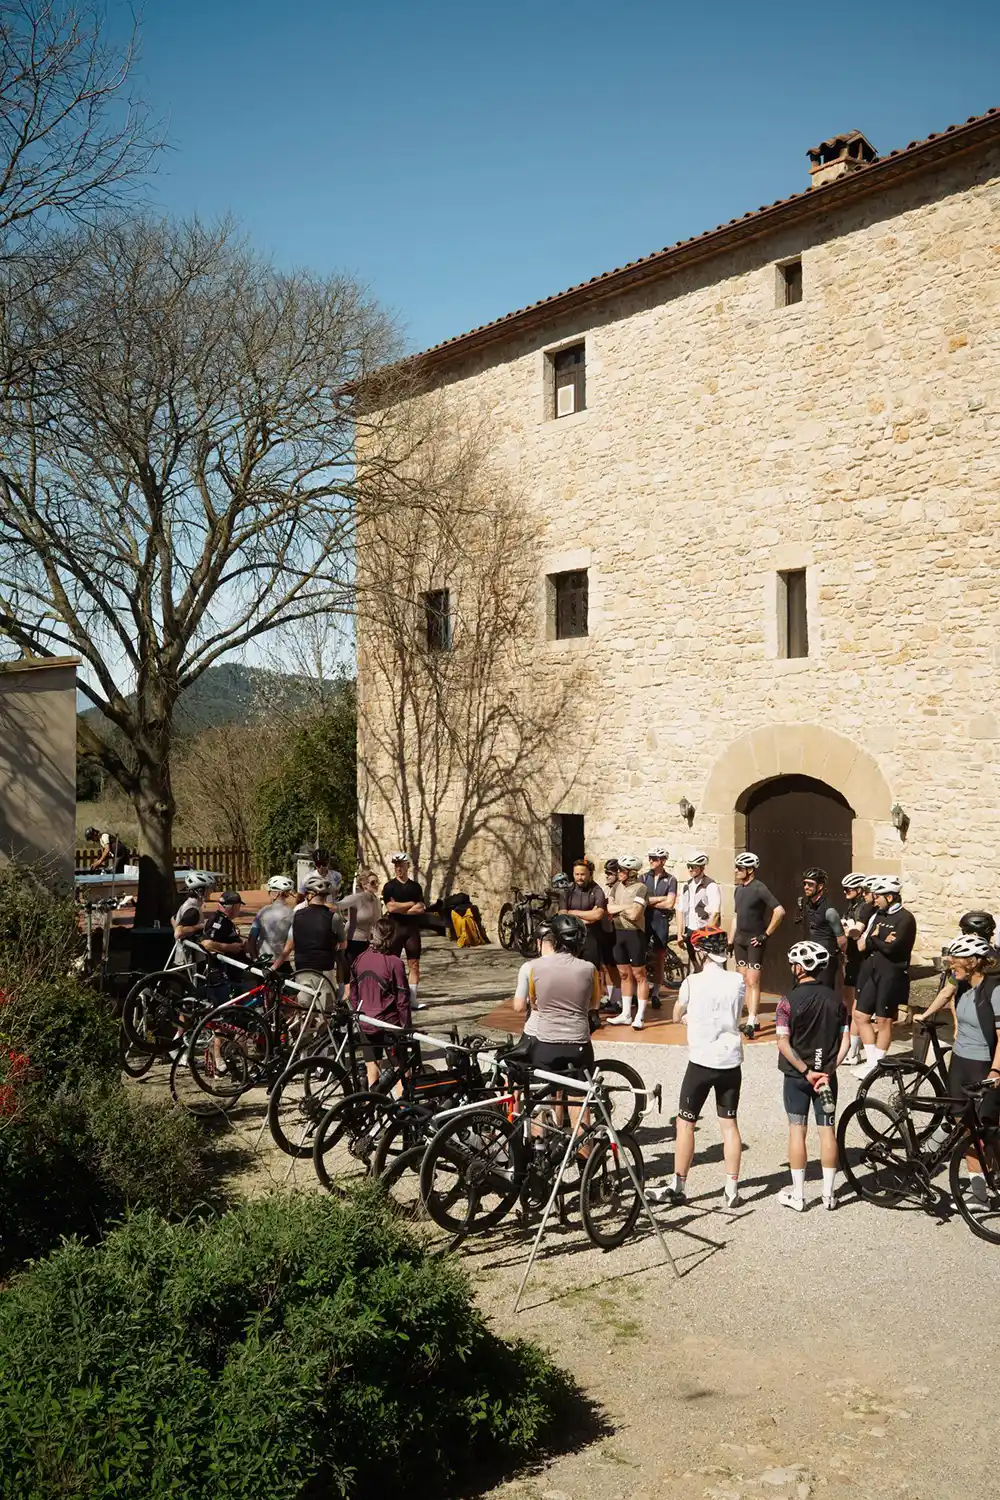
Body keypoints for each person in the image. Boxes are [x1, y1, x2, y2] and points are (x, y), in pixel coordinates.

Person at [649, 926, 746, 1209]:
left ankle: (678, 1185)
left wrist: (687, 1018)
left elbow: (677, 1012)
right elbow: (734, 1011)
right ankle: (732, 1189)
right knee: (729, 1124)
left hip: (701, 1061)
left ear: (701, 952)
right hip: (730, 1061)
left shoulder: (692, 982)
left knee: (686, 1123)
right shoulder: (737, 980)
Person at [912, 934, 1000, 1203]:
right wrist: (925, 1015)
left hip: (984, 1064)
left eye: (955, 961)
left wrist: (996, 1071)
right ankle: (979, 1191)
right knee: (965, 1125)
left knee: (986, 1129)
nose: (951, 966)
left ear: (973, 962)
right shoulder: (959, 981)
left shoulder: (994, 990)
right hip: (960, 1060)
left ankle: (988, 1181)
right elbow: (945, 992)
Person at [774, 940, 850, 1212]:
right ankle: (829, 1195)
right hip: (827, 1078)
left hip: (797, 1076)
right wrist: (827, 1072)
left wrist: (807, 1071)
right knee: (827, 1130)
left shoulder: (787, 1002)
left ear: (799, 967)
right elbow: (846, 1043)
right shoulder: (838, 1000)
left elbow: (783, 1043)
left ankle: (798, 1194)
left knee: (798, 1130)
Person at [853, 875, 917, 1077]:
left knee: (883, 1020)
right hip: (871, 970)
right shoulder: (877, 915)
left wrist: (875, 939)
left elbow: (894, 948)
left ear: (890, 897)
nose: (875, 899)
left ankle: (879, 1064)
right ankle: (873, 1062)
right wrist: (879, 939)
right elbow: (862, 944)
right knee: (860, 1015)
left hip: (891, 974)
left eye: (878, 895)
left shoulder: (906, 918)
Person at [350, 915, 412, 1086]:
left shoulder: (360, 959)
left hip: (365, 1021)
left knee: (372, 1070)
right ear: (392, 937)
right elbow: (402, 999)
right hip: (389, 1025)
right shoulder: (395, 963)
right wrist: (406, 1028)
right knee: (402, 1071)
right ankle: (403, 1108)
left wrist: (359, 1014)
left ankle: (373, 1108)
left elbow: (353, 993)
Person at [729, 852, 785, 1038]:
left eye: (740, 868)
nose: (736, 871)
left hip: (755, 941)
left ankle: (752, 1020)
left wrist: (765, 935)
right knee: (743, 980)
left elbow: (779, 911)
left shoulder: (760, 888)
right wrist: (730, 940)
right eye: (736, 867)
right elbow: (736, 917)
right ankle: (752, 1019)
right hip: (740, 941)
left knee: (753, 980)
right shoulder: (738, 890)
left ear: (750, 869)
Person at [278, 873, 347, 1013]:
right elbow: (343, 945)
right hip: (325, 972)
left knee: (304, 1012)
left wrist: (273, 967)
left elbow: (288, 948)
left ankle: (303, 1034)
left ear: (309, 895)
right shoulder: (334, 918)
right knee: (326, 1014)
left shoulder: (297, 916)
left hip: (302, 970)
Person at [606, 855, 650, 1029]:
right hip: (618, 933)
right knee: (624, 974)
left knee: (640, 975)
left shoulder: (641, 888)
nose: (619, 873)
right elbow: (609, 909)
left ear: (632, 872)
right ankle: (625, 1014)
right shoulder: (616, 886)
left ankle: (640, 1015)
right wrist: (626, 907)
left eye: (622, 870)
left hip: (635, 934)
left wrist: (619, 910)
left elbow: (635, 915)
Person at [382, 852, 426, 1004]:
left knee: (414, 964)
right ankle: (392, 997)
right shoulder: (389, 887)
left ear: (408, 866)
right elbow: (391, 907)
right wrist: (410, 904)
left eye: (401, 865)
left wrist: (402, 908)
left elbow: (420, 908)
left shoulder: (415, 887)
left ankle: (412, 999)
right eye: (396, 866)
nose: (398, 868)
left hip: (411, 931)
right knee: (391, 964)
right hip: (395, 929)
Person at [840, 873, 872, 1066]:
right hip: (851, 957)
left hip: (859, 959)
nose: (845, 893)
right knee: (849, 1000)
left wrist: (847, 929)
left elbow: (855, 932)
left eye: (849, 890)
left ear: (859, 891)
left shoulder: (862, 909)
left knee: (854, 1003)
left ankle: (853, 1050)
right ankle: (852, 1046)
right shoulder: (853, 906)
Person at [558, 858, 610, 972]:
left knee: (591, 972)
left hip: (591, 937)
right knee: (569, 972)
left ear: (590, 874)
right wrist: (588, 916)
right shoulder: (567, 891)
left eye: (583, 874)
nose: (579, 878)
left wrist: (573, 912)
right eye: (576, 874)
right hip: (571, 937)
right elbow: (562, 915)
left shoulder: (597, 891)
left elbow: (598, 915)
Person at [643, 845, 677, 1011]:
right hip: (645, 920)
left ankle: (656, 993)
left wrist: (651, 901)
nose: (651, 861)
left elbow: (670, 903)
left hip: (661, 921)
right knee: (639, 956)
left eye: (654, 859)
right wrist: (660, 899)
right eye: (650, 857)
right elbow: (642, 900)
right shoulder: (643, 878)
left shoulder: (671, 880)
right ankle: (640, 991)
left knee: (659, 958)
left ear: (663, 861)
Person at [799, 868, 846, 989]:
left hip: (825, 958)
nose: (806, 887)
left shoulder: (829, 910)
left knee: (823, 991)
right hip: (809, 956)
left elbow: (842, 940)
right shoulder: (805, 903)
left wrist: (841, 955)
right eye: (805, 883)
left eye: (810, 884)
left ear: (820, 887)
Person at [201, 890, 249, 1001]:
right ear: (232, 907)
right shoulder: (218, 920)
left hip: (234, 969)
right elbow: (206, 943)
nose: (239, 910)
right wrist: (232, 947)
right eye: (238, 906)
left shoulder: (226, 921)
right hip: (223, 971)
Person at [677, 855, 722, 972]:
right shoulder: (686, 886)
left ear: (702, 868)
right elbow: (680, 909)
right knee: (694, 966)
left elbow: (715, 913)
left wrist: (705, 936)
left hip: (704, 931)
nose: (690, 869)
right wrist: (679, 933)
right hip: (690, 931)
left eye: (693, 867)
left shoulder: (710, 886)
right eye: (689, 866)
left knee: (707, 968)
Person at [335, 868, 382, 965]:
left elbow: (378, 922)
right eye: (373, 882)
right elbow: (337, 906)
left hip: (368, 942)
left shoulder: (376, 900)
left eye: (378, 882)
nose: (376, 885)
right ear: (364, 885)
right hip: (353, 941)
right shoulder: (356, 898)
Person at [247, 875, 296, 966]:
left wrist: (254, 958)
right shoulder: (292, 913)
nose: (269, 894)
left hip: (262, 959)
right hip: (281, 962)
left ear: (277, 893)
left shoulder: (263, 911)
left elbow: (251, 938)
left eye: (270, 891)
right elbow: (291, 944)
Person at [170, 870, 215, 965]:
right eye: (208, 889)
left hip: (183, 957)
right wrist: (202, 926)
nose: (211, 892)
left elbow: (173, 919)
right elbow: (178, 932)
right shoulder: (193, 910)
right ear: (200, 891)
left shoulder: (189, 903)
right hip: (189, 960)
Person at [598, 859, 622, 1013]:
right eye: (606, 873)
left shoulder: (621, 889)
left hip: (618, 931)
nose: (607, 876)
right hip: (605, 930)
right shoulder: (605, 889)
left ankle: (619, 999)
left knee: (618, 968)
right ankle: (611, 997)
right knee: (606, 966)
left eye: (610, 873)